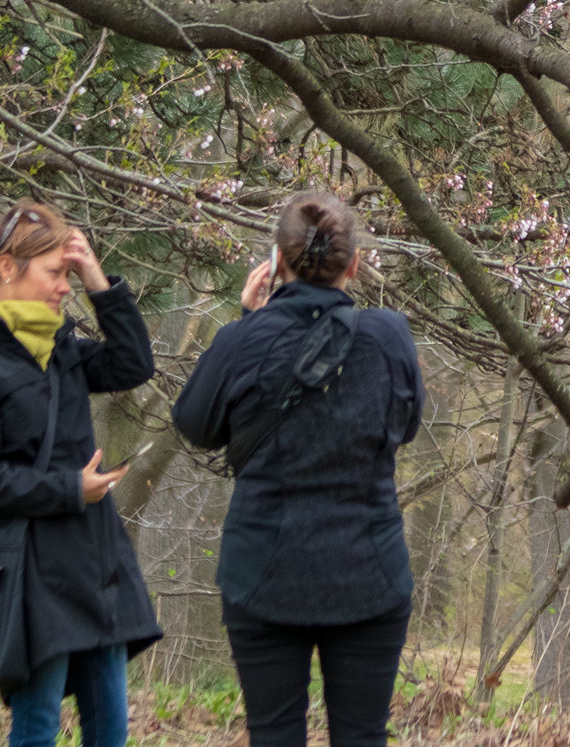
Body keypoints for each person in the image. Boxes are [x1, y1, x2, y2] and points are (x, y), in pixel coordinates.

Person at [175, 192, 424, 747]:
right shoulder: (389, 338)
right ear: (354, 264)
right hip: (369, 573)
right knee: (363, 737)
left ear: (276, 263)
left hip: (262, 572)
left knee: (273, 735)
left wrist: (247, 322)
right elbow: (404, 428)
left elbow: (195, 424)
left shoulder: (241, 341)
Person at [0, 201, 162, 747]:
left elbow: (132, 364)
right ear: (8, 267)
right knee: (36, 724)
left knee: (110, 728)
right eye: (55, 273)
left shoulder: (61, 350)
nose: (65, 287)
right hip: (30, 566)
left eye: (68, 274)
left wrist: (97, 280)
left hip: (95, 558)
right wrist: (68, 489)